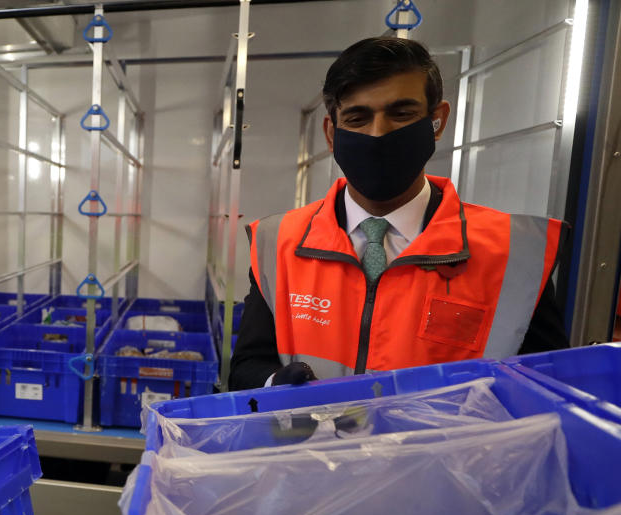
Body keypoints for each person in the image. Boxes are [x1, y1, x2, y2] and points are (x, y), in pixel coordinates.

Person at [230, 37, 568, 391]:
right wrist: (276, 384)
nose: (378, 134)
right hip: (312, 445)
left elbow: (545, 389)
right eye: (358, 118)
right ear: (332, 134)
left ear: (437, 121)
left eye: (401, 114)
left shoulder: (513, 253)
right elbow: (247, 366)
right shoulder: (280, 241)